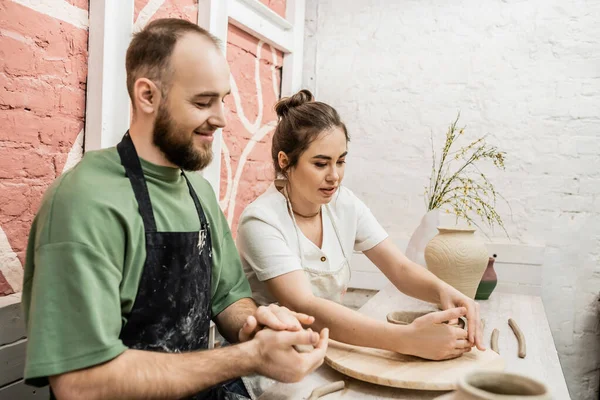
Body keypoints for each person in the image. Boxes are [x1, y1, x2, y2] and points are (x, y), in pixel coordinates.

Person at [21, 19, 328, 400]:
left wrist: (258, 328)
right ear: (148, 96)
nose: (221, 118)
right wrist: (247, 357)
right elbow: (80, 382)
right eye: (203, 102)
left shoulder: (197, 191)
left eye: (223, 100)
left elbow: (229, 297)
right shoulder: (86, 203)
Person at [237, 89, 486, 366]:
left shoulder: (345, 204)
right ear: (285, 161)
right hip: (271, 365)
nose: (334, 176)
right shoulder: (260, 220)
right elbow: (305, 306)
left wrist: (448, 293)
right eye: (321, 164)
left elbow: (400, 270)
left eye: (341, 161)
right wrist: (407, 339)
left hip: (329, 350)